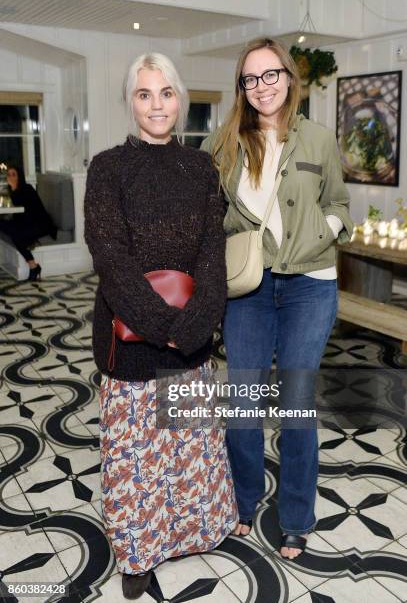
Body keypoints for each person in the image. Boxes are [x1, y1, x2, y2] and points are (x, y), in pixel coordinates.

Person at [84, 52, 237, 599]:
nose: (156, 104)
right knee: (137, 457)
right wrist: (161, 324)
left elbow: (212, 258)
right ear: (131, 101)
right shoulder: (108, 168)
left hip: (190, 339)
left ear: (180, 99)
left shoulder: (201, 169)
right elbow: (109, 257)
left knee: (188, 447)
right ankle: (139, 551)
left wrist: (193, 326)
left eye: (166, 93)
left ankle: (192, 534)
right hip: (130, 341)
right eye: (144, 94)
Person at [201, 37, 353, 560]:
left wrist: (321, 233)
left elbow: (339, 202)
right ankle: (241, 503)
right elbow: (204, 215)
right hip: (249, 287)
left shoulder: (318, 139)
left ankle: (295, 517)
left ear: (290, 78)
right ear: (241, 86)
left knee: (295, 405)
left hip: (310, 284)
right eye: (251, 78)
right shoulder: (223, 145)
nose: (262, 87)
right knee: (243, 403)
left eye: (271, 75)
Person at [0, 165, 56, 281]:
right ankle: (33, 266)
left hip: (40, 224)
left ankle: (33, 266)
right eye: (9, 175)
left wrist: (14, 187)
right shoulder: (11, 190)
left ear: (19, 176)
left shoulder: (27, 188)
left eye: (13, 174)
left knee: (16, 235)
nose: (11, 177)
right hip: (25, 223)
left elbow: (21, 205)